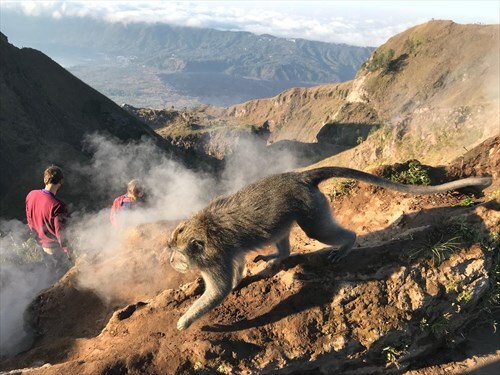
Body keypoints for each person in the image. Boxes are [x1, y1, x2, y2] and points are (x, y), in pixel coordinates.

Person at [25, 165, 72, 277]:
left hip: (40, 244)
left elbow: (29, 219)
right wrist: (68, 252)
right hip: (54, 249)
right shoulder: (58, 205)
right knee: (60, 280)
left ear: (45, 179)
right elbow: (61, 233)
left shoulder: (31, 195)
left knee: (48, 275)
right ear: (60, 181)